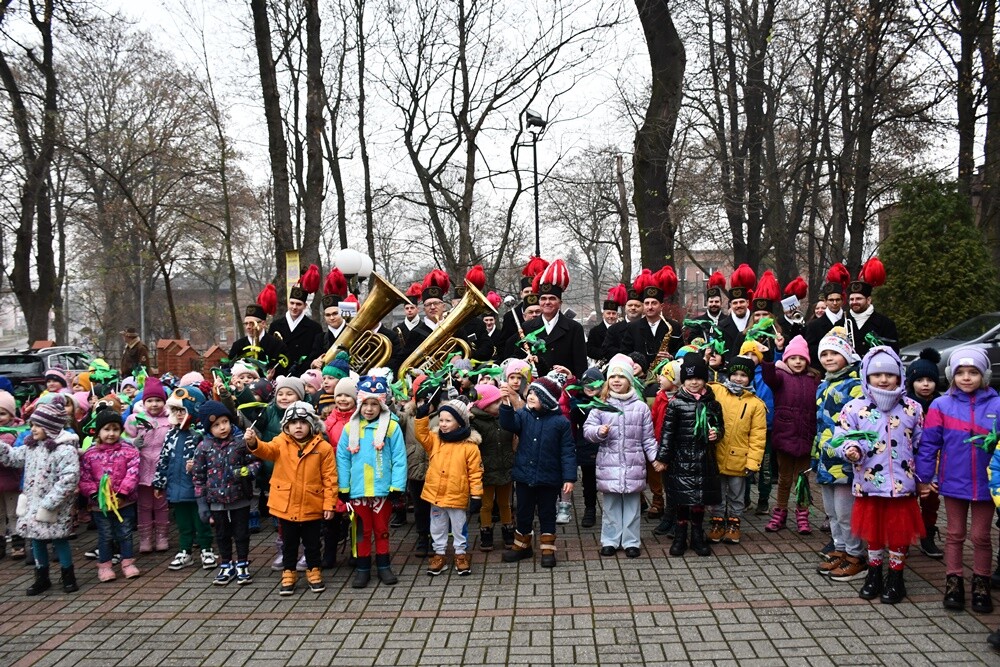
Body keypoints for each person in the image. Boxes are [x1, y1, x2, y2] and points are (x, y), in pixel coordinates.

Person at [835, 346, 924, 604]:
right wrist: (850, 450)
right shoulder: (854, 408)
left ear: (899, 376)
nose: (883, 379)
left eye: (889, 374)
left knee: (899, 531)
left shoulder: (912, 408)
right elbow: (842, 436)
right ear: (866, 376)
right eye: (877, 375)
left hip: (902, 485)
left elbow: (922, 444)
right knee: (873, 531)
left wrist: (926, 477)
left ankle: (896, 577)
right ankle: (874, 572)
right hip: (869, 483)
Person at [917, 347, 1000, 614]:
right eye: (960, 372)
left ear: (984, 375)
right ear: (951, 375)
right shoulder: (941, 405)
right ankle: (954, 582)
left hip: (987, 484)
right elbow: (929, 444)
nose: (966, 377)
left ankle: (981, 583)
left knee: (981, 536)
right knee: (954, 534)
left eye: (973, 372)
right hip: (953, 481)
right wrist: (924, 478)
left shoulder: (997, 405)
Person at [246, 401, 336, 595]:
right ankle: (289, 572)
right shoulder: (280, 442)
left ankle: (314, 570)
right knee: (289, 543)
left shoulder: (323, 447)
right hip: (286, 504)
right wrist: (254, 442)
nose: (298, 427)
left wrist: (329, 504)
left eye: (303, 422)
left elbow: (330, 478)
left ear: (311, 425)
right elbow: (266, 450)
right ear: (286, 426)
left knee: (312, 543)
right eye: (293, 423)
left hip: (312, 503)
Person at [0, 400, 80, 595]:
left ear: (50, 427)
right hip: (33, 504)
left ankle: (68, 575)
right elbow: (13, 458)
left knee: (59, 539)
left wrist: (50, 502)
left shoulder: (65, 450)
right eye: (32, 425)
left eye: (37, 425)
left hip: (54, 506)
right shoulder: (31, 447)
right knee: (36, 540)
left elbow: (69, 478)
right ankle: (41, 576)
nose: (33, 429)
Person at [583, 354, 658, 557]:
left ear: (630, 380)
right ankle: (610, 540)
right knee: (611, 505)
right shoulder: (600, 405)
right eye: (613, 377)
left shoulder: (641, 407)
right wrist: (599, 432)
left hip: (634, 465)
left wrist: (655, 458)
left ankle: (631, 541)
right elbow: (587, 430)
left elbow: (648, 438)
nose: (617, 380)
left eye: (622, 376)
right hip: (610, 465)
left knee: (633, 506)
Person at [336, 376, 407, 588]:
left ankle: (384, 566)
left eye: (374, 404)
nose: (369, 409)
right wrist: (343, 487)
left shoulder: (391, 428)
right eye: (365, 403)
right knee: (361, 532)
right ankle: (363, 568)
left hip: (382, 490)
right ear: (359, 403)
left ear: (382, 405)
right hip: (358, 490)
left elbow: (399, 458)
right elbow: (342, 458)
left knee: (382, 529)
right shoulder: (349, 428)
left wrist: (397, 486)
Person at [499, 371, 576, 567]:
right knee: (523, 511)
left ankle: (548, 548)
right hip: (524, 476)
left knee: (547, 512)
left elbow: (567, 452)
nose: (530, 396)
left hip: (549, 478)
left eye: (536, 394)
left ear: (547, 400)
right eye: (530, 392)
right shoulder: (523, 414)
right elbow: (508, 424)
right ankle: (522, 546)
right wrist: (506, 404)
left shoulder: (561, 423)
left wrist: (569, 478)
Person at [653, 354, 724, 557]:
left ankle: (697, 536)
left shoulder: (713, 404)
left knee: (699, 500)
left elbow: (720, 427)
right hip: (681, 460)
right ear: (683, 380)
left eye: (699, 378)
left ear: (705, 380)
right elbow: (667, 434)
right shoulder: (676, 404)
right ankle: (680, 535)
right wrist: (663, 458)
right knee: (682, 500)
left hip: (703, 460)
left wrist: (716, 433)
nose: (694, 382)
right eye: (690, 378)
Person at [812, 329, 866, 582]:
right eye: (824, 354)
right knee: (832, 512)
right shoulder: (823, 385)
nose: (828, 358)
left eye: (834, 353)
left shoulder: (856, 385)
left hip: (846, 462)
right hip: (825, 460)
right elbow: (819, 425)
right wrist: (816, 456)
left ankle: (856, 556)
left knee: (846, 513)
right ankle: (840, 549)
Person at [414, 398, 484, 576]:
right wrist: (421, 418)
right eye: (441, 420)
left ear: (460, 422)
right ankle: (439, 554)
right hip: (436, 494)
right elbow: (421, 435)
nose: (443, 424)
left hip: (457, 494)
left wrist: (476, 495)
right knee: (437, 526)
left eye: (448, 420)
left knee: (459, 527)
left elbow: (475, 473)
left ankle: (461, 554)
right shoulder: (435, 439)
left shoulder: (470, 447)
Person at [192, 401, 257, 586]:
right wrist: (202, 503)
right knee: (222, 534)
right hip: (216, 500)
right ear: (208, 428)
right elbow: (198, 476)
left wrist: (248, 471)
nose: (222, 427)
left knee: (241, 533)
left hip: (239, 497)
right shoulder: (203, 447)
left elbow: (256, 460)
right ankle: (226, 563)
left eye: (225, 422)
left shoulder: (240, 442)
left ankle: (242, 562)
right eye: (216, 425)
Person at [153, 386, 217, 572]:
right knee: (183, 523)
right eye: (175, 411)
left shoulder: (201, 435)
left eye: (183, 410)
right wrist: (159, 483)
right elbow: (164, 459)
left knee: (201, 521)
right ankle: (184, 551)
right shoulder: (171, 434)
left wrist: (196, 465)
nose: (179, 415)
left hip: (197, 489)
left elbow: (212, 458)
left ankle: (206, 549)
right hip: (176, 488)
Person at [761, 336, 821, 534]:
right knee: (784, 479)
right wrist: (768, 358)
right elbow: (769, 377)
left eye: (801, 358)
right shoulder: (780, 376)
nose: (797, 362)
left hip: (806, 436)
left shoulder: (814, 379)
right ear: (786, 359)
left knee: (802, 480)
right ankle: (780, 512)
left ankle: (802, 514)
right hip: (785, 435)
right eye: (793, 358)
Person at [704, 355, 766, 545]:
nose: (738, 378)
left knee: (737, 494)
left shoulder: (756, 404)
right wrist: (704, 359)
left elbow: (758, 437)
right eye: (735, 374)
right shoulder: (717, 391)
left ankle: (734, 523)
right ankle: (717, 522)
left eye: (743, 375)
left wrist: (753, 462)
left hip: (740, 458)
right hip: (716, 454)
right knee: (716, 492)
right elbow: (698, 383)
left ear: (750, 378)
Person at [79, 409, 141, 582]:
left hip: (124, 502)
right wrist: (93, 494)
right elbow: (85, 477)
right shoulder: (90, 454)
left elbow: (133, 472)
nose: (111, 433)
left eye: (115, 429)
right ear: (98, 431)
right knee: (105, 535)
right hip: (101, 505)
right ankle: (105, 565)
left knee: (125, 533)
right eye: (106, 429)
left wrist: (123, 492)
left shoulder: (129, 451)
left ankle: (127, 563)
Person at [123, 377, 171, 553]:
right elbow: (124, 440)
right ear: (144, 402)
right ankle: (145, 538)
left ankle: (162, 536)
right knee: (144, 506)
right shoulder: (135, 419)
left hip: (161, 467)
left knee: (161, 504)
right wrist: (133, 442)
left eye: (158, 400)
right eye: (150, 400)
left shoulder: (170, 419)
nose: (154, 404)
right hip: (142, 466)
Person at [518, 260, 588, 378]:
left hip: (564, 385)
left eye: (552, 298)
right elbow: (519, 357)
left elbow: (580, 365)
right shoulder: (527, 327)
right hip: (536, 384)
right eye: (543, 298)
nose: (547, 302)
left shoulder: (574, 328)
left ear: (560, 302)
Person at [905, 348, 944, 559]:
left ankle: (927, 534)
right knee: (908, 501)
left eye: (930, 380)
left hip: (934, 462)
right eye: (920, 380)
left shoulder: (942, 405)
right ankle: (904, 537)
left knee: (931, 501)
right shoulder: (905, 405)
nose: (925, 384)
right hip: (909, 461)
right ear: (911, 382)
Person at [470, 384, 512, 552]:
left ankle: (508, 530)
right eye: (495, 402)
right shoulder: (475, 421)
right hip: (486, 470)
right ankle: (486, 532)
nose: (499, 404)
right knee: (486, 505)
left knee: (505, 503)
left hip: (505, 466)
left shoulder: (504, 417)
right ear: (485, 404)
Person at [321, 375, 357, 568]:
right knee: (331, 517)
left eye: (348, 396)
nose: (343, 399)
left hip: (354, 473)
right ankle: (329, 553)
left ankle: (356, 552)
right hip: (332, 473)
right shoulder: (328, 421)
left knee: (355, 515)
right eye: (339, 395)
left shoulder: (359, 420)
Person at [567, 367, 605, 529]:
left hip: (604, 446)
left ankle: (611, 510)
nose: (590, 388)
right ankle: (590, 509)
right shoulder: (578, 402)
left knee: (607, 479)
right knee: (588, 480)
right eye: (586, 384)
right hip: (586, 446)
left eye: (594, 384)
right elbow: (573, 420)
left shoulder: (607, 402)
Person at [843, 258, 898, 357]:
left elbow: (893, 353)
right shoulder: (841, 323)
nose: (854, 302)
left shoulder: (886, 324)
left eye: (858, 299)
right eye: (851, 299)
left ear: (868, 300)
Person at [269, 282, 323, 377]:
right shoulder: (275, 326)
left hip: (303, 375)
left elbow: (315, 354)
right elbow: (270, 351)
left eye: (298, 304)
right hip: (279, 374)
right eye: (292, 303)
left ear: (305, 306)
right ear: (288, 303)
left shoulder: (314, 328)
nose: (294, 307)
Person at [228, 296, 287, 376]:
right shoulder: (238, 345)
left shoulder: (276, 345)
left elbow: (282, 369)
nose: (248, 327)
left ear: (263, 324)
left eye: (252, 323)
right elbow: (230, 368)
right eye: (246, 323)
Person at [804, 264, 849, 369]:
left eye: (837, 300)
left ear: (842, 300)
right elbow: (810, 350)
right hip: (822, 370)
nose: (834, 303)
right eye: (831, 300)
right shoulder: (814, 325)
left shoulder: (849, 321)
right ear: (825, 301)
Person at [0, 390, 24, 560]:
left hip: (11, 482)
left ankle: (18, 543)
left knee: (14, 513)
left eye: (2, 413)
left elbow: (13, 458)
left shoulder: (15, 434)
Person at [587, 285, 625, 363]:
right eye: (608, 313)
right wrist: (605, 354)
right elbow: (589, 349)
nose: (611, 316)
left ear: (617, 315)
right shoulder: (595, 331)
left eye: (613, 313)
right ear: (603, 314)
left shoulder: (624, 329)